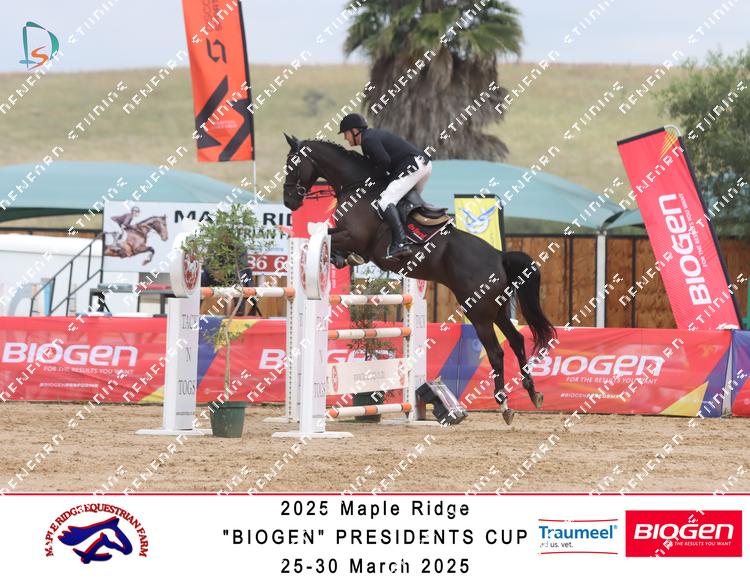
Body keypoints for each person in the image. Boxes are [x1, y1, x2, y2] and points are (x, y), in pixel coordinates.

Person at [339, 113, 432, 260]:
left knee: (386, 201)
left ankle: (401, 243)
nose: (345, 138)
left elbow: (384, 161)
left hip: (413, 167)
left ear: (355, 131)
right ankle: (416, 237)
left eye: (346, 133)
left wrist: (372, 179)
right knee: (404, 204)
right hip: (423, 165)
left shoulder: (367, 140)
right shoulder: (371, 137)